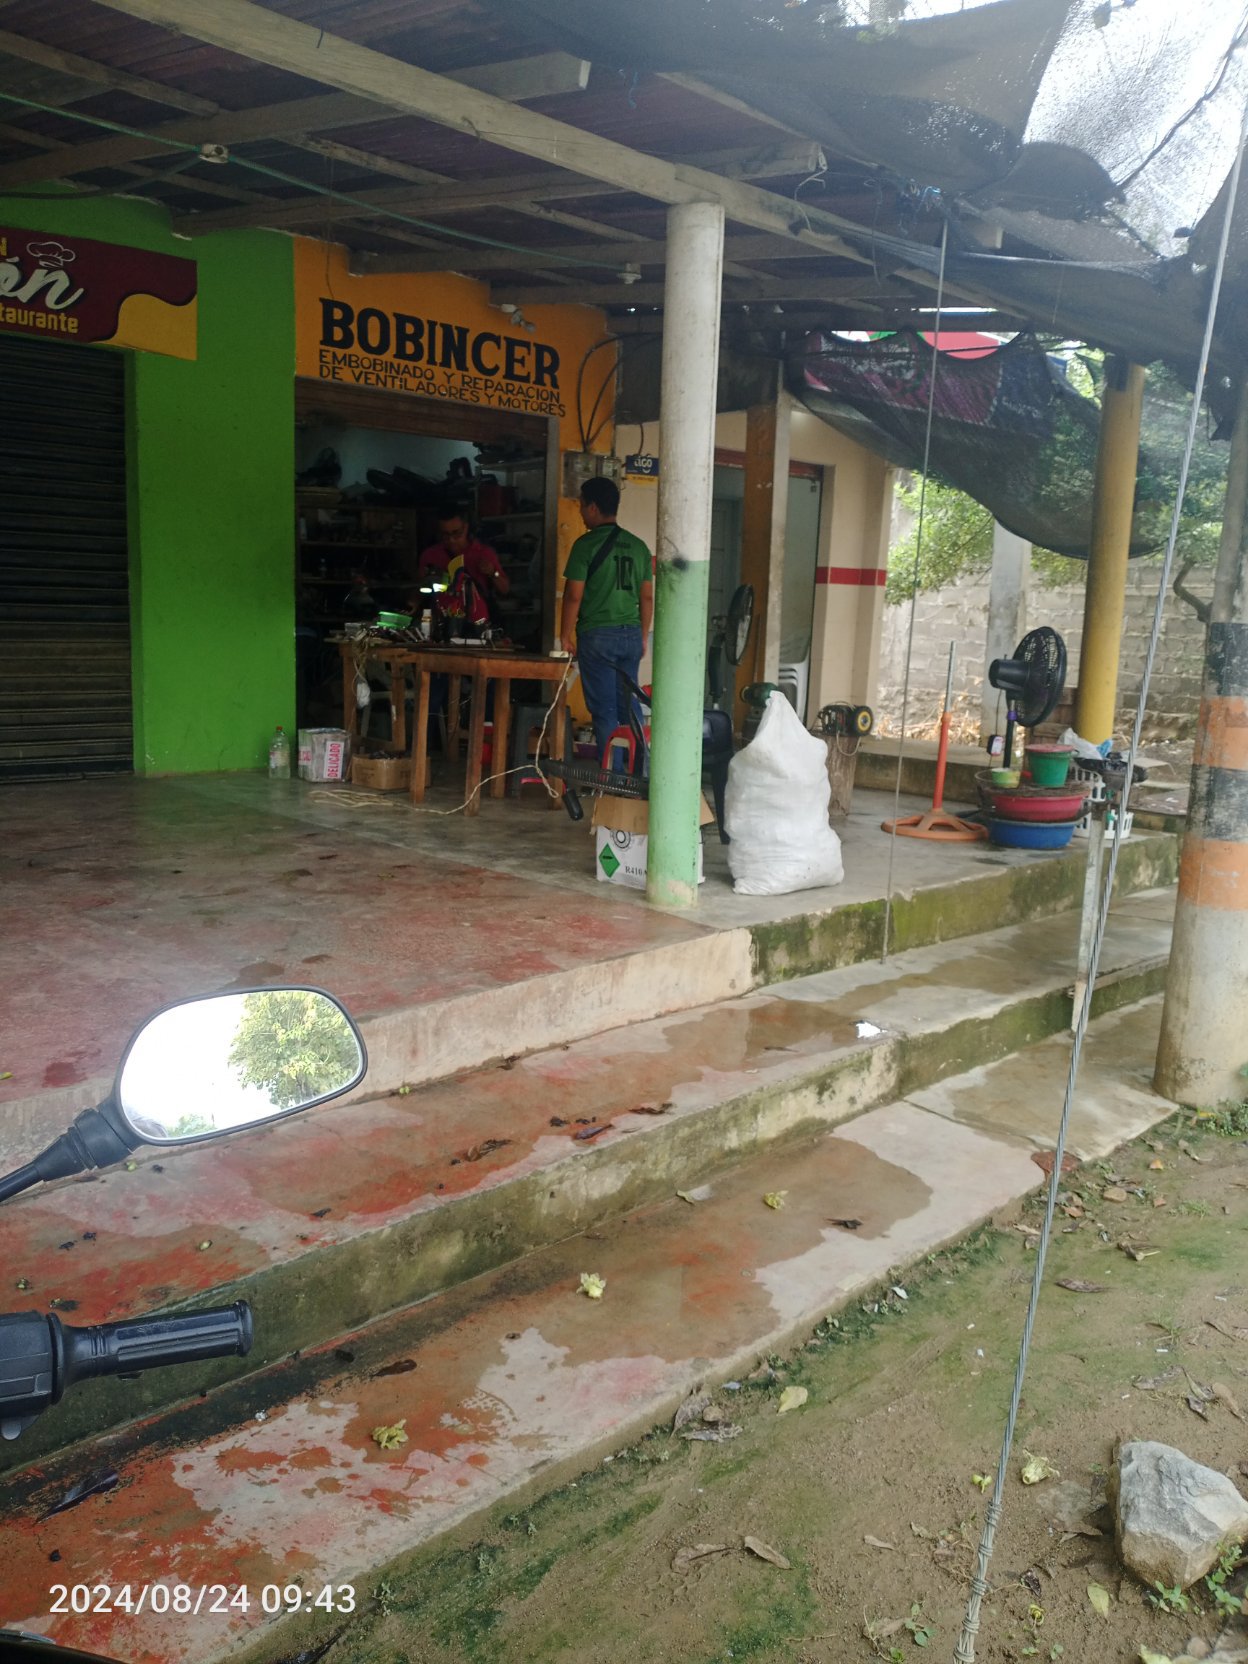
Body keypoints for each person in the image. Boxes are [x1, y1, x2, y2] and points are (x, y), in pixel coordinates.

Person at [560, 477, 654, 756]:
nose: (580, 512)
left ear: (592, 507)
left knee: (605, 711)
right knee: (629, 706)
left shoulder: (585, 545)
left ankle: (611, 774)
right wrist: (643, 636)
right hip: (631, 636)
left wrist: (565, 635)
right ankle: (638, 769)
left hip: (598, 636)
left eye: (581, 505)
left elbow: (573, 596)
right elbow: (647, 597)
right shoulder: (638, 547)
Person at [415, 508, 510, 605]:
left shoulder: (483, 553)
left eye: (456, 533)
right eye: (445, 534)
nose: (451, 539)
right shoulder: (430, 555)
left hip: (476, 612)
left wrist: (492, 572)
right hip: (443, 611)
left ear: (466, 528)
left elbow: (504, 589)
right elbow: (420, 593)